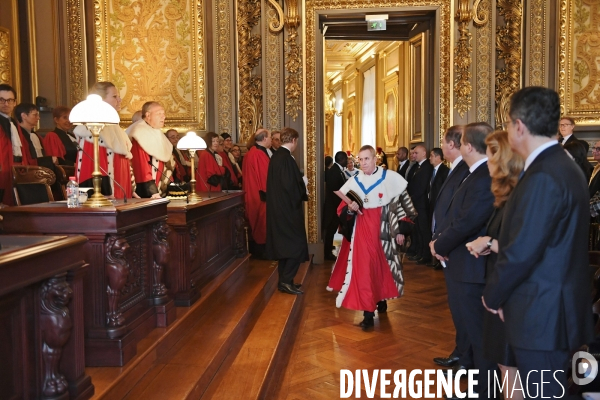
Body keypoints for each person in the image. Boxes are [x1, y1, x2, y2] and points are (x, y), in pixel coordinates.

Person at [482, 87, 594, 398]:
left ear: (518, 126)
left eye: (507, 124)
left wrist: (493, 296)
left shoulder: (544, 174)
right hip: (551, 309)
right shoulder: (562, 165)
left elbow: (522, 251)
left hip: (541, 314)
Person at [430, 122, 496, 399]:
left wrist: (439, 243)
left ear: (468, 146)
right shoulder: (473, 173)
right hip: (461, 262)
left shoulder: (483, 176)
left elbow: (468, 221)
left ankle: (485, 392)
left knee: (480, 336)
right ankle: (479, 386)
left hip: (472, 266)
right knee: (471, 330)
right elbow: (456, 216)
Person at [328, 145, 416, 330]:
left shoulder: (390, 178)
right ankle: (368, 313)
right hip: (362, 230)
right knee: (365, 268)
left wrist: (401, 229)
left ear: (375, 159)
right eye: (360, 159)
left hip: (385, 229)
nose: (363, 163)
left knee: (382, 266)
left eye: (366, 159)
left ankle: (381, 298)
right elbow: (341, 209)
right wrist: (350, 209)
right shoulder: (354, 181)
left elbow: (404, 204)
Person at [465, 131, 524, 400]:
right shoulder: (505, 195)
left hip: (511, 292)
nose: (487, 162)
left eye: (490, 156)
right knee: (504, 363)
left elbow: (525, 249)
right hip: (500, 287)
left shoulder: (521, 197)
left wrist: (488, 242)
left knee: (511, 366)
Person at [430, 125, 472, 371]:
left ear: (453, 145)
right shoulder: (456, 169)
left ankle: (467, 358)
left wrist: (441, 241)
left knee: (464, 310)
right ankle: (462, 352)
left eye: (444, 143)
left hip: (457, 250)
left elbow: (462, 216)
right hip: (448, 246)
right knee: (458, 309)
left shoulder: (467, 170)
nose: (442, 147)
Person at [265, 127, 309, 295]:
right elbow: (289, 187)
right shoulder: (285, 158)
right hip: (287, 210)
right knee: (295, 246)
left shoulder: (278, 157)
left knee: (285, 247)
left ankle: (286, 281)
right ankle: (285, 281)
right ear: (294, 140)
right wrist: (302, 186)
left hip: (280, 209)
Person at [74, 82, 134, 199]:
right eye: (114, 96)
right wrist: (105, 192)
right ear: (101, 99)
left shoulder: (114, 126)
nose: (119, 100)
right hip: (108, 193)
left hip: (121, 184)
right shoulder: (92, 128)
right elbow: (90, 165)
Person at [130, 101, 174, 198]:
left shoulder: (156, 132)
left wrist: (172, 187)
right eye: (159, 114)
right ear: (148, 115)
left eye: (164, 114)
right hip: (145, 191)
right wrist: (153, 192)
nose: (163, 117)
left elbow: (165, 166)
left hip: (159, 189)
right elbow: (142, 167)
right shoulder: (139, 132)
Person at [0, 84, 35, 205]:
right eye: (2, 100)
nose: (6, 103)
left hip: (16, 166)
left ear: (15, 102)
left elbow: (23, 149)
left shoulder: (14, 123)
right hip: (3, 168)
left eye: (10, 100)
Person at [243, 128, 271, 258]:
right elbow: (265, 177)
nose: (270, 139)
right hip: (259, 196)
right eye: (270, 137)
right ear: (264, 138)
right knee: (261, 224)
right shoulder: (258, 154)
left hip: (252, 193)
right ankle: (262, 253)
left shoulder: (252, 152)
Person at [407, 144, 434, 265]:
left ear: (424, 153)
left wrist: (412, 198)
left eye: (416, 153)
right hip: (415, 203)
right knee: (417, 229)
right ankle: (420, 252)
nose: (414, 155)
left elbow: (422, 187)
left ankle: (426, 254)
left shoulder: (427, 167)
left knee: (423, 230)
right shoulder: (417, 167)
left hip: (421, 203)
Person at [427, 147, 449, 267]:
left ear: (437, 157)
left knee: (438, 229)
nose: (430, 158)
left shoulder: (445, 171)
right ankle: (435, 259)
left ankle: (439, 259)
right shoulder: (432, 170)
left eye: (431, 155)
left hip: (440, 205)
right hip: (432, 204)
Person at [323, 151, 348, 260]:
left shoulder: (337, 170)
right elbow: (335, 190)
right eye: (346, 159)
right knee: (331, 229)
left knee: (332, 229)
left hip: (335, 206)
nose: (347, 161)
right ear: (342, 160)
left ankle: (328, 249)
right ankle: (327, 253)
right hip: (333, 206)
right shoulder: (334, 172)